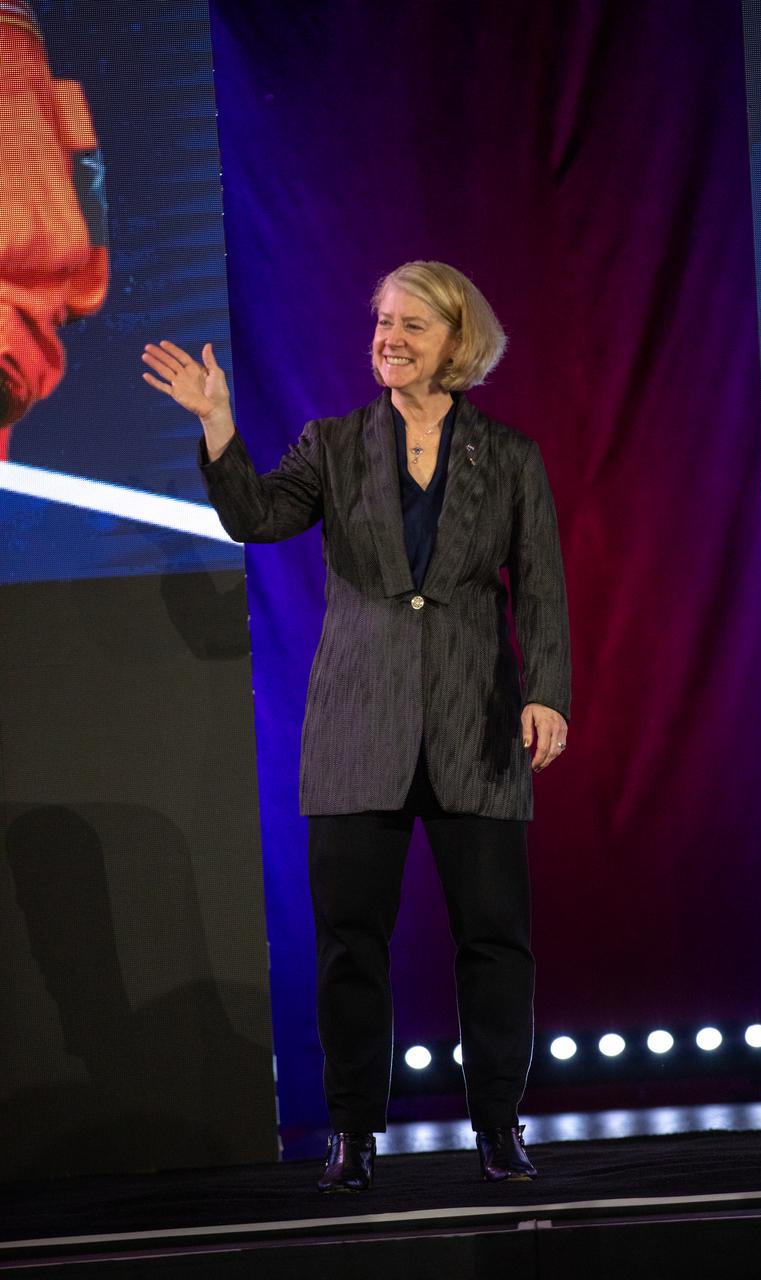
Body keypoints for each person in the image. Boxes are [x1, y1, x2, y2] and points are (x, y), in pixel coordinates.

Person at [141, 260, 570, 1191]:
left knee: (495, 939)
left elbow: (537, 587)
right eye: (382, 321)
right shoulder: (331, 443)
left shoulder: (508, 456)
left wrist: (546, 693)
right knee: (349, 941)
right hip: (355, 727)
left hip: (477, 723)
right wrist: (218, 424)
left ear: (457, 342)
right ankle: (350, 1135)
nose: (391, 338)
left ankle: (497, 1126)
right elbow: (255, 518)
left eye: (414, 325)